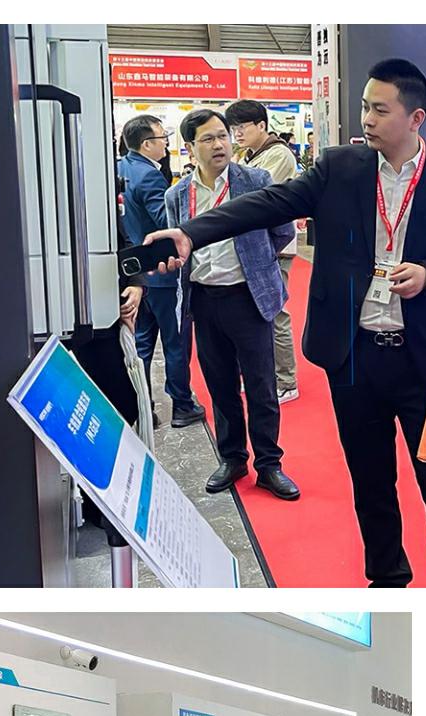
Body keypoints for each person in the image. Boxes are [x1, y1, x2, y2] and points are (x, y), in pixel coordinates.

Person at [147, 58, 426, 587]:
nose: (367, 119)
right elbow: (266, 203)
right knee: (371, 479)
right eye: (364, 107)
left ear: (415, 117)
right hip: (354, 356)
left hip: (423, 355)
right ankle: (388, 580)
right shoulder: (339, 168)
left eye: (380, 109)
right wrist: (194, 231)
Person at [164, 110, 301, 501]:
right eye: (208, 138)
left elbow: (282, 230)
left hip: (247, 297)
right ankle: (232, 457)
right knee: (220, 384)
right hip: (204, 299)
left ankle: (270, 464)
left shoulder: (255, 181)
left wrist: (257, 267)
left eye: (223, 136)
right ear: (189, 147)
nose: (220, 144)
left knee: (261, 385)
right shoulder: (178, 195)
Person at [117, 115, 205, 429]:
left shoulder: (121, 168)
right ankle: (182, 404)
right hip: (163, 274)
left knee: (141, 343)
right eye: (162, 138)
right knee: (175, 342)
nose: (166, 144)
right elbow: (164, 222)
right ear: (147, 144)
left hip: (137, 274)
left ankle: (142, 407)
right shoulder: (150, 177)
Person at [227, 99, 301, 403]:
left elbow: (255, 198)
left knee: (276, 313)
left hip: (275, 246)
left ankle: (287, 380)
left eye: (243, 126)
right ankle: (267, 375)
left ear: (262, 126)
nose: (238, 133)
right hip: (253, 247)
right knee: (255, 314)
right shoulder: (250, 155)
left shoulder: (279, 155)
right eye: (233, 128)